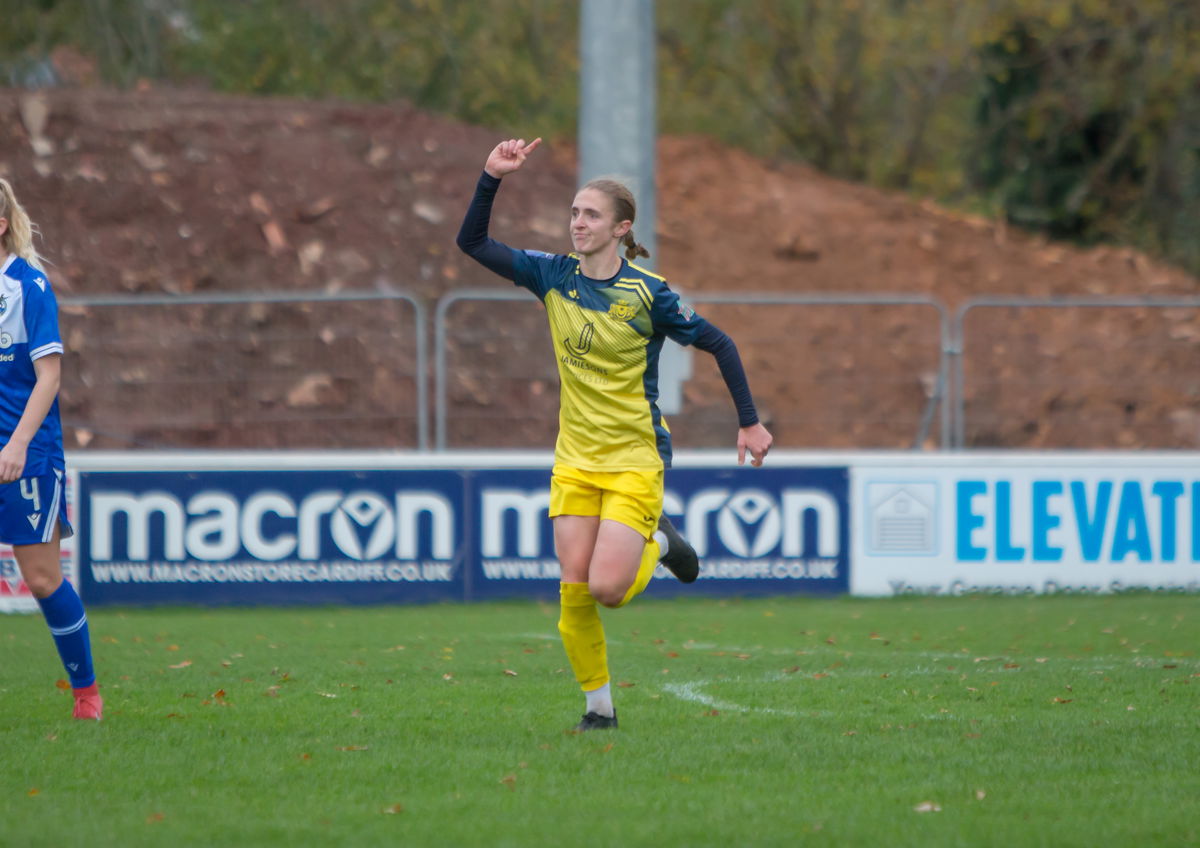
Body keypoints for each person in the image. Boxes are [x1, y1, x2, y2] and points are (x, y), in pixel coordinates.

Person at [457, 137, 773, 731]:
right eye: (574, 212)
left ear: (620, 228)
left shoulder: (648, 294)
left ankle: (661, 546)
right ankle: (598, 711)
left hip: (634, 458)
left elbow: (720, 343)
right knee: (572, 592)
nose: (577, 223)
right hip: (574, 460)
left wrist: (749, 421)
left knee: (606, 589)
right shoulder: (550, 274)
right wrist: (490, 177)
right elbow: (472, 243)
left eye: (590, 215)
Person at [0, 178, 101, 721]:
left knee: (40, 578)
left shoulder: (27, 287)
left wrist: (16, 444)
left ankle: (86, 694)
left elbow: (48, 376)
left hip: (23, 454)